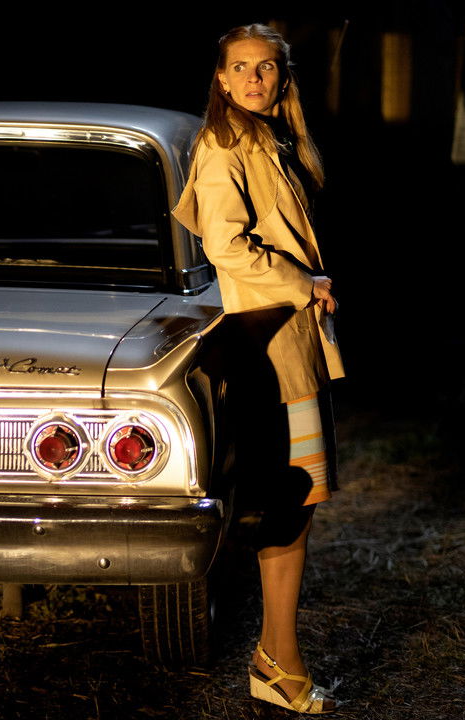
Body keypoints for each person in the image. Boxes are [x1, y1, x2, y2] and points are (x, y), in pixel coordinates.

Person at [172, 23, 343, 714]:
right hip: (268, 342)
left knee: (295, 502)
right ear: (220, 78)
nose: (252, 78)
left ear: (283, 75)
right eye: (239, 67)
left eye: (265, 67)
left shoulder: (274, 139)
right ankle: (279, 665)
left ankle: (276, 659)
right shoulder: (224, 145)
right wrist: (304, 282)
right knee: (289, 500)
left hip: (292, 337)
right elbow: (226, 245)